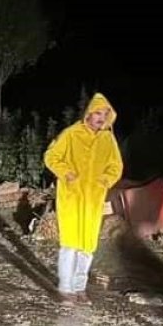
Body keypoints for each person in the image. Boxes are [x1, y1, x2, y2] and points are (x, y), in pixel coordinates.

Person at [43, 93, 123, 301]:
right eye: (98, 113)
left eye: (105, 114)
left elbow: (116, 166)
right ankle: (66, 289)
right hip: (71, 197)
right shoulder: (70, 134)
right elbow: (51, 156)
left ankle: (79, 288)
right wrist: (66, 172)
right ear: (89, 112)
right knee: (70, 243)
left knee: (87, 246)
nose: (101, 118)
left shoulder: (108, 139)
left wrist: (105, 180)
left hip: (93, 200)